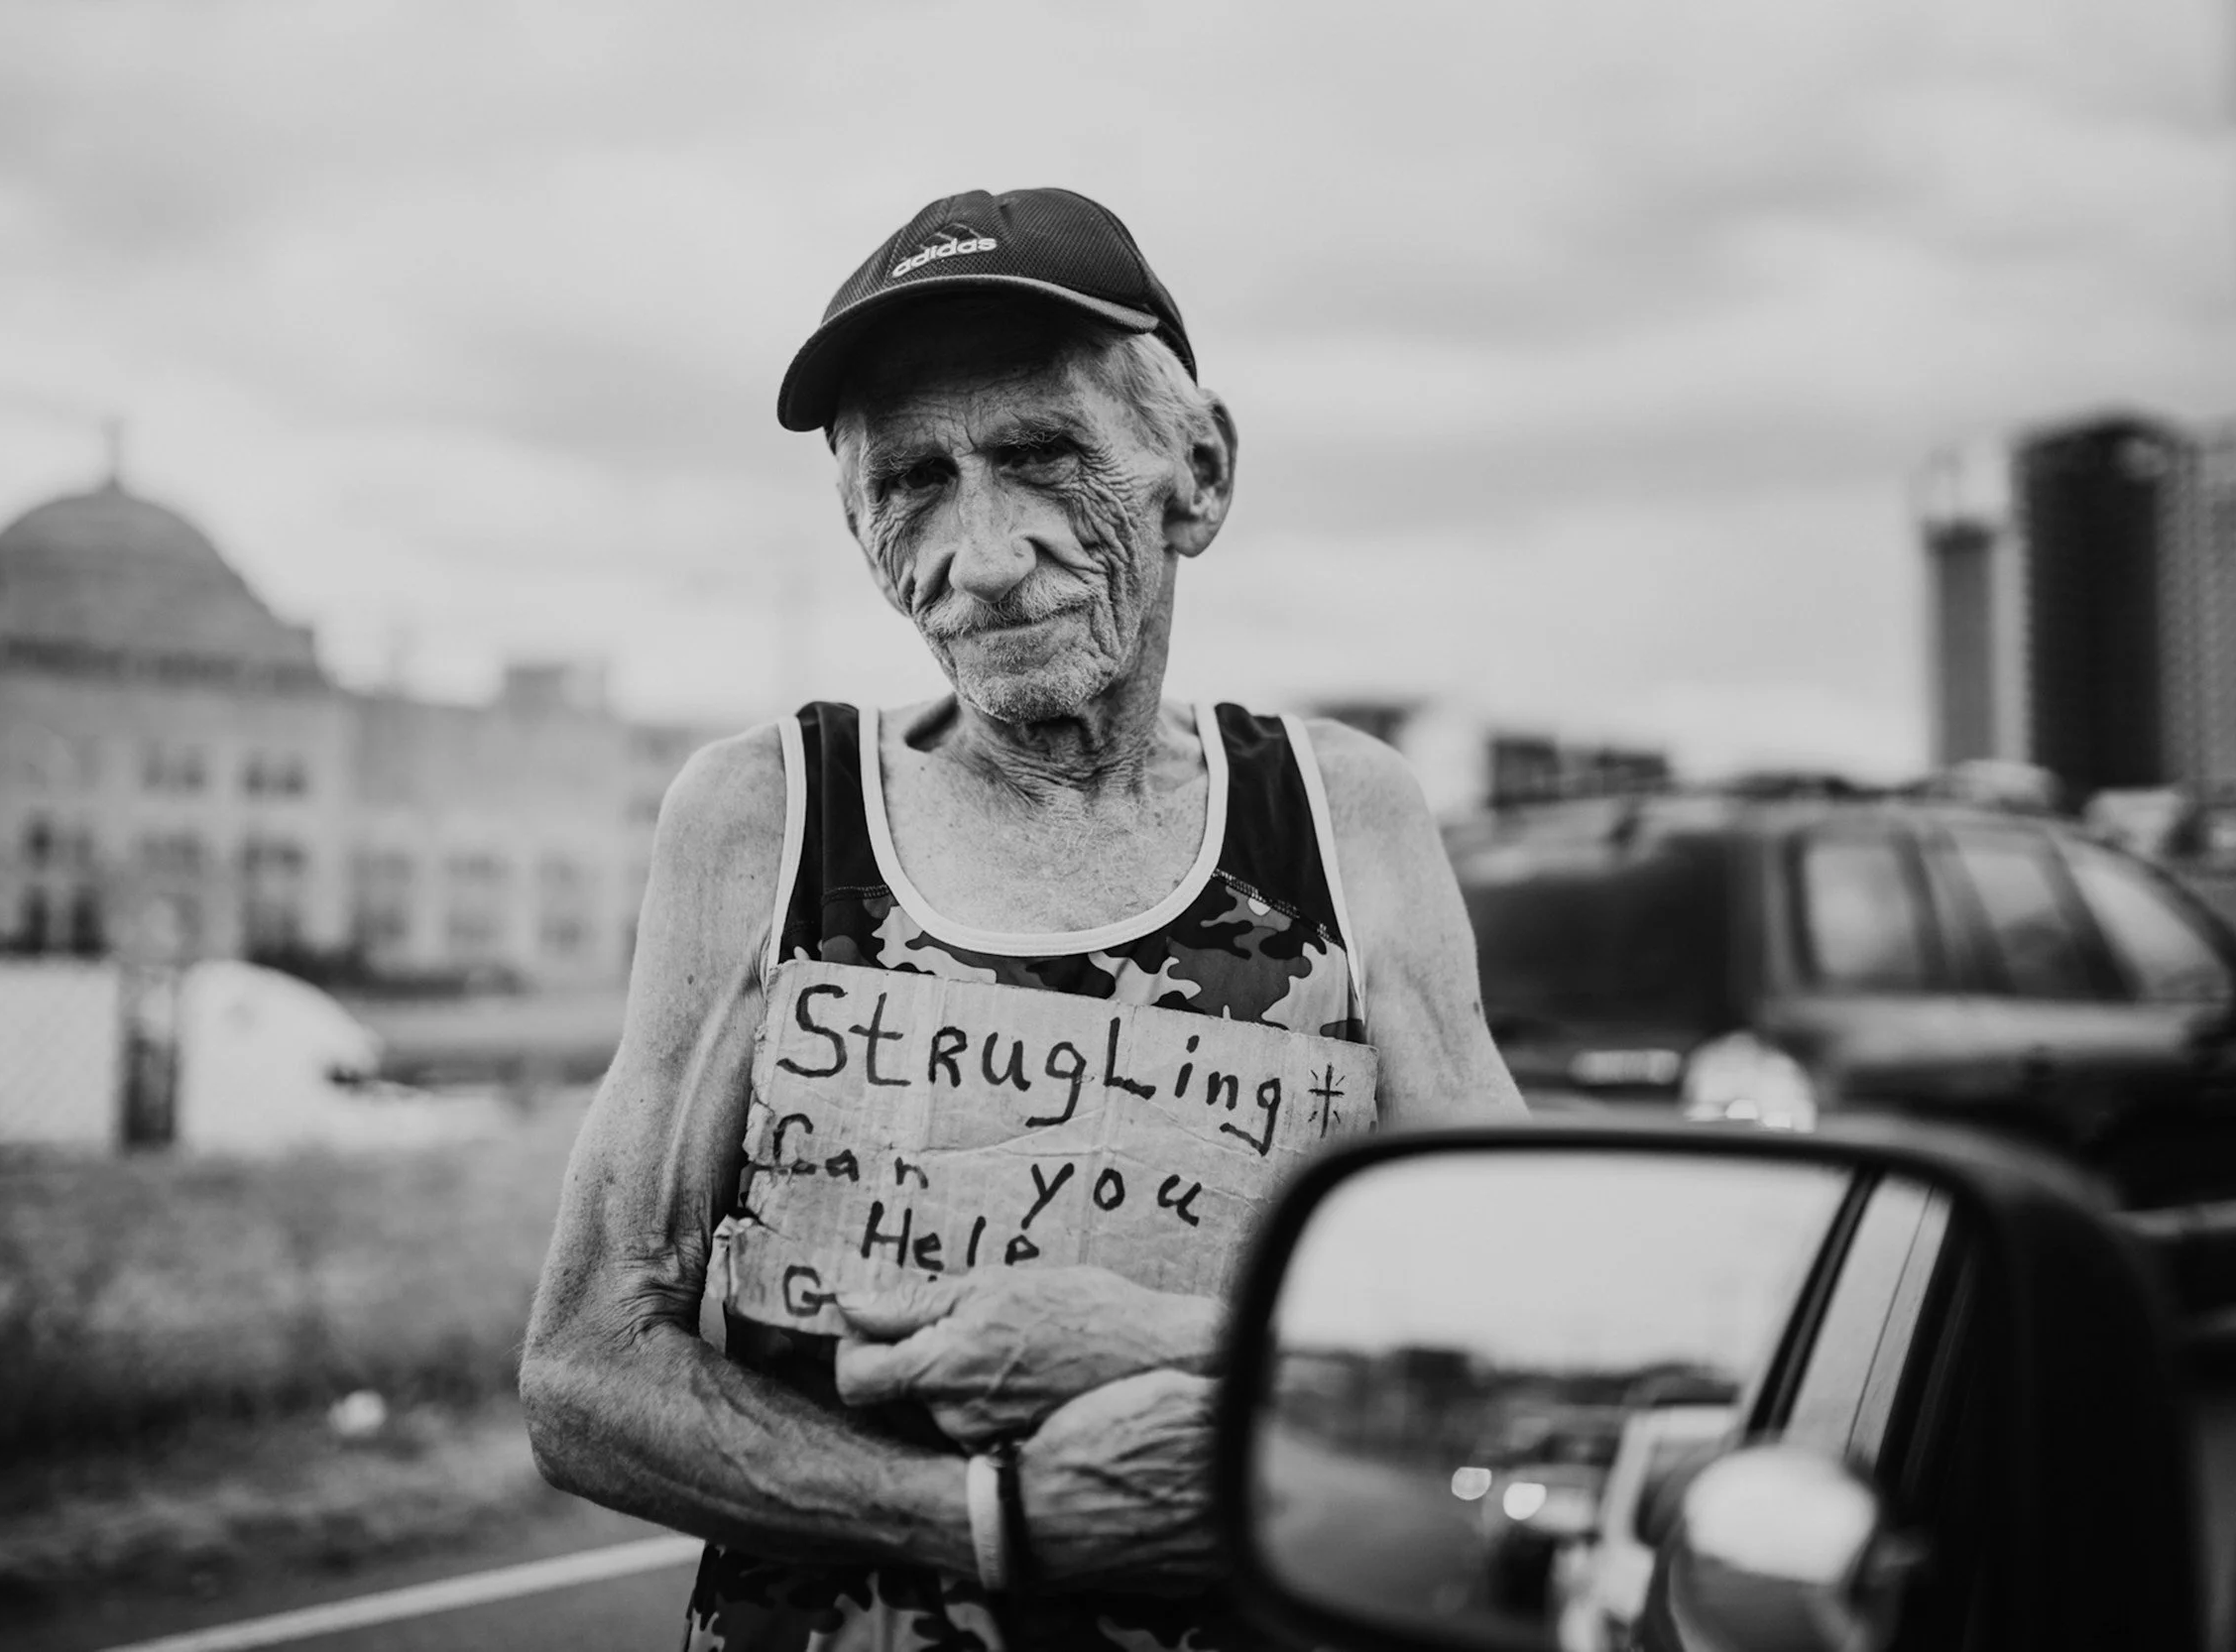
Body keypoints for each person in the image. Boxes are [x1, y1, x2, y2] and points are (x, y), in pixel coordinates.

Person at [520, 185, 1525, 1651]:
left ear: (1197, 471)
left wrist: (1181, 1346)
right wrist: (992, 1518)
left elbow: (1529, 1319)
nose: (981, 557)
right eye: (912, 480)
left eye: (1041, 454)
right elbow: (586, 1374)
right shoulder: (766, 817)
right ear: (856, 520)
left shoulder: (1341, 815)